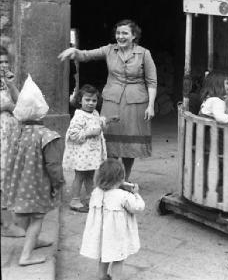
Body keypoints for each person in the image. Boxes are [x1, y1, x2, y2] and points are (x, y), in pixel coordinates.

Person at [58, 19, 157, 181]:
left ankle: (124, 179)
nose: (120, 36)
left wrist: (151, 105)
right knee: (109, 143)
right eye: (118, 33)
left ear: (134, 36)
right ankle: (112, 178)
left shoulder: (144, 54)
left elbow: (152, 81)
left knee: (129, 146)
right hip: (112, 100)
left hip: (136, 103)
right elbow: (87, 55)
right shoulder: (110, 50)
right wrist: (74, 52)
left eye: (125, 33)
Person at [3, 75, 64, 266]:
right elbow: (53, 166)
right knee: (37, 218)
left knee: (24, 215)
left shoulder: (15, 132)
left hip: (18, 185)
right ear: (42, 110)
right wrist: (59, 183)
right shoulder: (47, 136)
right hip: (38, 185)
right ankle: (26, 256)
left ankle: (33, 241)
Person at [80, 159, 145, 280]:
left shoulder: (95, 192)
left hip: (101, 234)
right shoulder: (123, 195)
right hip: (116, 234)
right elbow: (138, 207)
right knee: (118, 258)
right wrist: (136, 194)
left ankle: (101, 276)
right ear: (121, 178)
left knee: (104, 255)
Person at [63, 84, 118, 212]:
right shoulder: (79, 116)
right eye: (87, 100)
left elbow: (98, 122)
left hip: (91, 154)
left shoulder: (94, 113)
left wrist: (108, 120)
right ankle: (75, 200)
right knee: (80, 176)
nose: (90, 103)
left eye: (94, 100)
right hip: (82, 154)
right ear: (80, 101)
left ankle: (90, 198)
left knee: (90, 175)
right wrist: (90, 133)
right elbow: (73, 134)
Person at [0, 46, 26, 237]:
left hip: (10, 132)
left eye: (5, 61)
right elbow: (9, 105)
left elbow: (20, 104)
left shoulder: (6, 82)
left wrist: (11, 85)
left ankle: (8, 220)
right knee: (3, 175)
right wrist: (5, 106)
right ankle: (7, 225)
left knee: (9, 173)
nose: (3, 65)